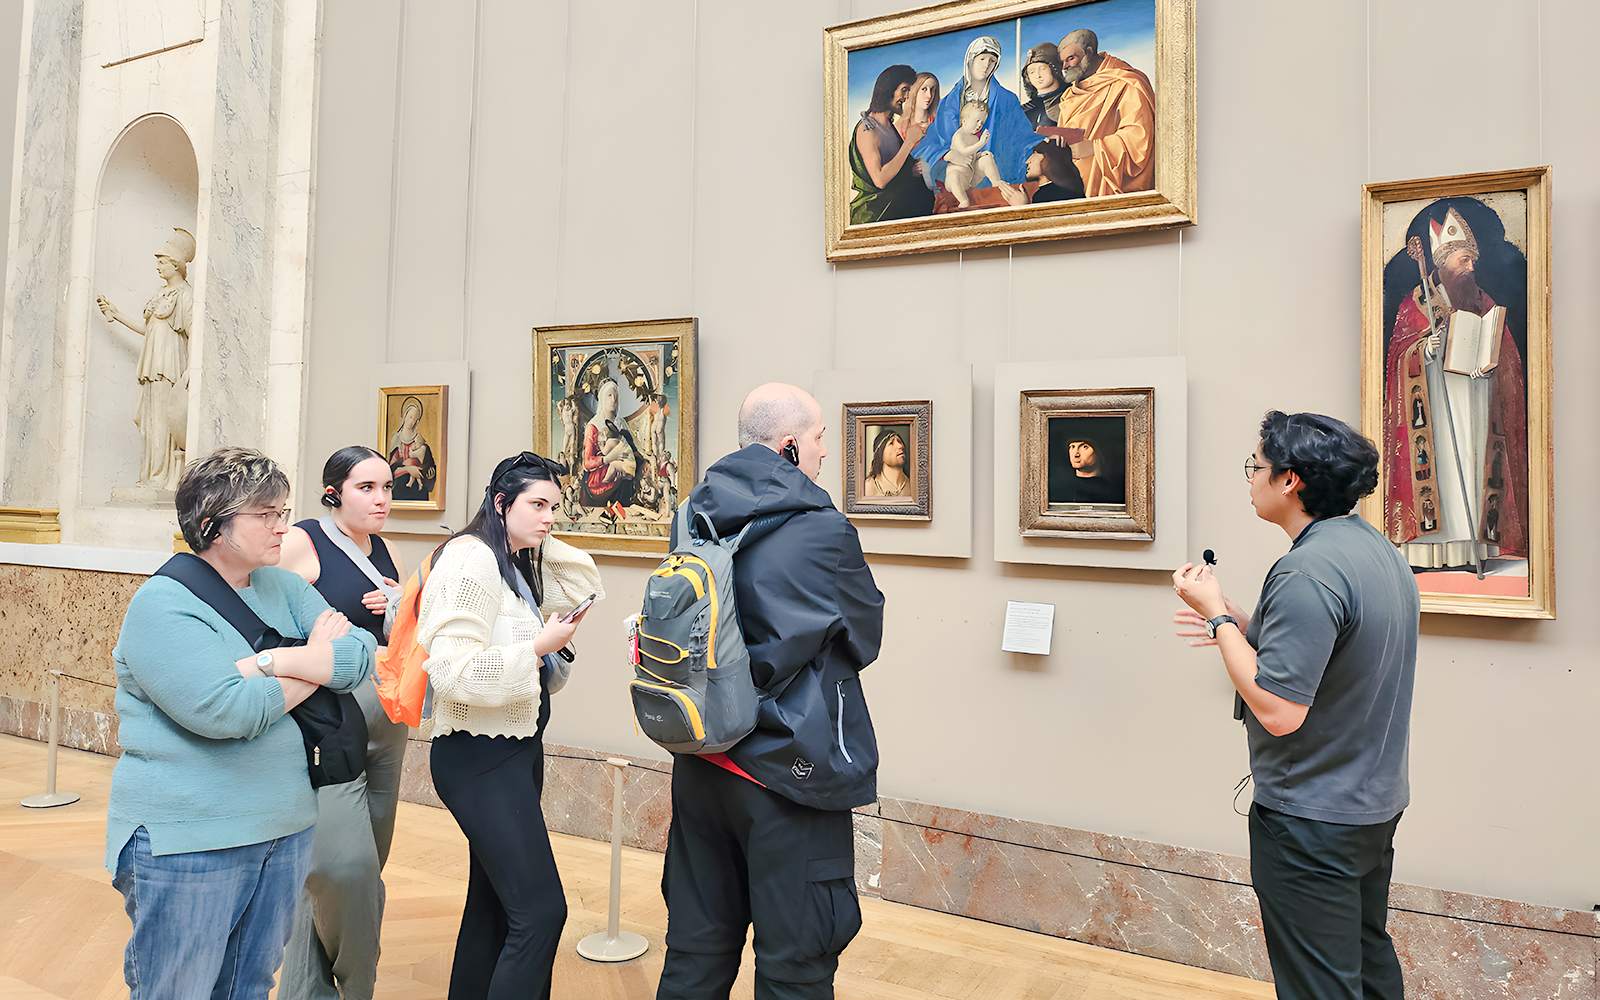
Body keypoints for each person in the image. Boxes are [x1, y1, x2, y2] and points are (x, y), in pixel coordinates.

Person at [106, 446, 375, 1000]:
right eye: (267, 515)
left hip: (286, 828)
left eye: (283, 511)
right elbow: (227, 710)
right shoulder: (163, 604)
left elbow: (362, 656)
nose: (285, 526)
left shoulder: (281, 585)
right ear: (213, 526)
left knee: (248, 986)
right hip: (193, 838)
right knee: (179, 990)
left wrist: (272, 662)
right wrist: (314, 658)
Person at [1171, 411, 1418, 1000]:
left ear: (1290, 481)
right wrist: (1240, 621)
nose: (1249, 477)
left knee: (1320, 985)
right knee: (1366, 957)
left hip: (1313, 817)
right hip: (1369, 802)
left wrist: (1218, 618)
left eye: (1255, 466)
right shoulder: (1374, 551)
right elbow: (1330, 651)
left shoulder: (1305, 569)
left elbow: (1280, 710)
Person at [656, 383, 885, 1000]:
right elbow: (865, 636)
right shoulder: (826, 530)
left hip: (702, 763)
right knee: (796, 967)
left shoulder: (691, 514)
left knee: (695, 956)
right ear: (789, 446)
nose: (823, 454)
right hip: (789, 774)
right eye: (817, 440)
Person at [418, 451, 604, 1000]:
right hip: (477, 758)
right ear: (500, 503)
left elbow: (583, 579)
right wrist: (537, 648)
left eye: (555, 506)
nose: (550, 518)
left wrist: (528, 531)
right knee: (543, 911)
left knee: (494, 903)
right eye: (538, 505)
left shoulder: (515, 559)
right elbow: (451, 672)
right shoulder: (470, 560)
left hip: (517, 751)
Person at [277, 446, 411, 1000]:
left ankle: (308, 993)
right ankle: (358, 986)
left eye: (386, 487)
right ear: (334, 491)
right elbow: (264, 615)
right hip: (330, 722)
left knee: (369, 864)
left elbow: (403, 638)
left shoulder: (387, 549)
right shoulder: (302, 541)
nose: (381, 499)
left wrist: (403, 607)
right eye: (366, 488)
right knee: (342, 870)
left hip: (390, 720)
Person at [1382, 204, 1527, 570]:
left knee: (1473, 469)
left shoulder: (1482, 301)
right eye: (1464, 260)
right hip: (1433, 413)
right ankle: (1433, 553)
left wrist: (1489, 365)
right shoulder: (1415, 303)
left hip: (1475, 404)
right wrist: (1422, 351)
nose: (1471, 268)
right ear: (1443, 262)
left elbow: (1503, 351)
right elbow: (1399, 356)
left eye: (1473, 260)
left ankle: (1472, 551)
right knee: (1442, 474)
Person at [95, 227, 195, 490]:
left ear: (176, 264)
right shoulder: (160, 294)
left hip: (169, 368)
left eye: (163, 261)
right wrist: (116, 314)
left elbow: (195, 332)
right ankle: (151, 475)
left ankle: (163, 477)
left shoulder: (184, 295)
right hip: (152, 367)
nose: (158, 266)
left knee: (164, 422)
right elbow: (148, 329)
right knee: (152, 424)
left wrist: (191, 371)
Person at [914, 36, 1034, 208]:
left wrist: (1043, 142)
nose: (986, 65)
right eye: (982, 58)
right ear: (970, 60)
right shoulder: (948, 103)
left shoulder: (1007, 99)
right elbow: (928, 142)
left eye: (992, 60)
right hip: (959, 178)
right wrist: (946, 154)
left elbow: (1023, 137)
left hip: (994, 179)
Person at [1052, 29, 1156, 197]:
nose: (1065, 66)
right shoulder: (1070, 94)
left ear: (1088, 52)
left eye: (1071, 58)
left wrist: (1094, 147)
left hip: (1108, 187)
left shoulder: (1126, 83)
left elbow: (1139, 138)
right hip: (1074, 186)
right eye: (1063, 61)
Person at [848, 64, 933, 224]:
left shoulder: (888, 126)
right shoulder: (868, 130)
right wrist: (908, 143)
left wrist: (912, 170)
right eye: (904, 89)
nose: (907, 96)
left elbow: (896, 167)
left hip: (897, 206)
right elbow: (880, 180)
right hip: (876, 213)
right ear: (888, 88)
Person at [581, 378, 642, 508]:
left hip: (621, 478)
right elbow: (587, 462)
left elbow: (632, 449)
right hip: (597, 482)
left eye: (616, 396)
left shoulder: (621, 424)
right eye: (609, 395)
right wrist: (608, 459)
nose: (613, 399)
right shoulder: (593, 426)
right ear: (602, 398)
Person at [1048, 435, 1124, 504]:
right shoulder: (1059, 490)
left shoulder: (1113, 491)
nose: (1076, 454)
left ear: (1099, 451)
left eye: (1084, 447)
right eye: (1072, 447)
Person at [388, 397, 437, 501]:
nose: (411, 422)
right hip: (399, 490)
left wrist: (430, 472)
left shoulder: (420, 441)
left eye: (414, 419)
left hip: (418, 493)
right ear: (405, 416)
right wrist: (408, 469)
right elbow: (390, 470)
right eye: (410, 417)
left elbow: (429, 468)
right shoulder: (396, 439)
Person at [1019, 42, 1068, 129]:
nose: (1037, 76)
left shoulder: (1072, 99)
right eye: (1032, 72)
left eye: (1042, 69)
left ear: (1054, 69)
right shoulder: (1024, 111)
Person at [862, 428, 911, 498]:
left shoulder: (913, 487)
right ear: (880, 455)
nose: (900, 446)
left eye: (900, 441)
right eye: (891, 443)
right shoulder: (868, 487)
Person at [895, 71, 940, 139]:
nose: (929, 95)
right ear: (914, 91)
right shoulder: (900, 127)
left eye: (932, 89)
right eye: (924, 89)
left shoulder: (938, 122)